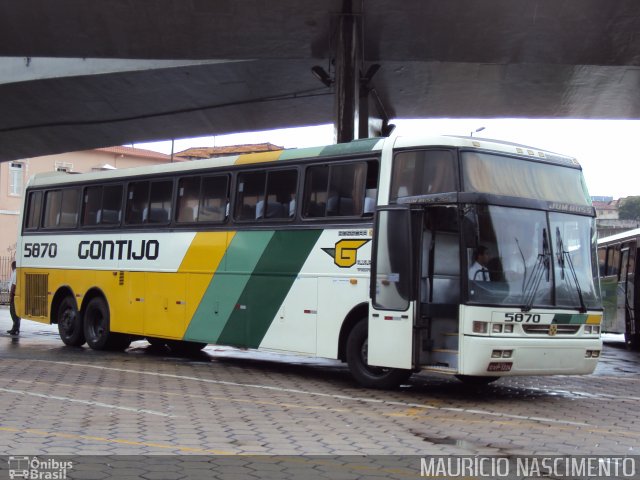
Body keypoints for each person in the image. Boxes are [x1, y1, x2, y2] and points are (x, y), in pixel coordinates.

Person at [7, 260, 20, 335]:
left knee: (13, 312)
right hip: (14, 294)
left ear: (13, 266)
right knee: (14, 313)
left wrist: (11, 296)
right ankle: (15, 328)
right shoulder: (15, 273)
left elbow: (13, 285)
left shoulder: (15, 273)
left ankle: (15, 329)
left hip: (14, 295)